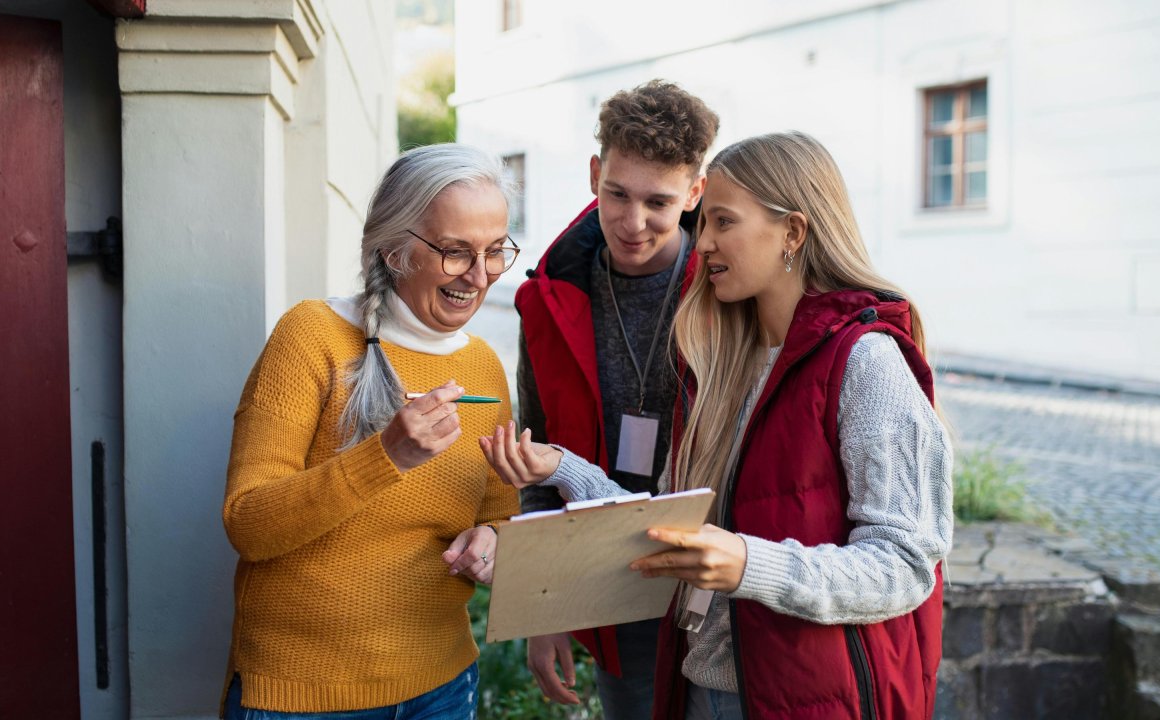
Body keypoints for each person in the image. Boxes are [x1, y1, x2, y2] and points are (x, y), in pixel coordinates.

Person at [483, 131, 953, 720]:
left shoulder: (866, 363)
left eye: (721, 222)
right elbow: (672, 524)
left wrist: (746, 565)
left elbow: (907, 565)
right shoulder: (721, 359)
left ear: (793, 232)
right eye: (703, 223)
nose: (699, 241)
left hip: (805, 697)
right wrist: (564, 468)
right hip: (701, 685)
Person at [219, 143, 522, 718]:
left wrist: (493, 542)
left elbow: (496, 512)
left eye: (495, 251)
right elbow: (248, 522)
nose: (480, 277)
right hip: (303, 694)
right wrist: (385, 456)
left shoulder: (483, 365)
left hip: (442, 684)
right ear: (394, 248)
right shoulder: (312, 336)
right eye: (456, 253)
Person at [513, 79, 719, 716]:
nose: (634, 223)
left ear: (694, 191)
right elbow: (537, 455)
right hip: (612, 579)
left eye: (658, 202)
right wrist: (545, 607)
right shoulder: (548, 298)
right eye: (617, 195)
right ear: (595, 173)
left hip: (722, 581)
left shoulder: (728, 287)